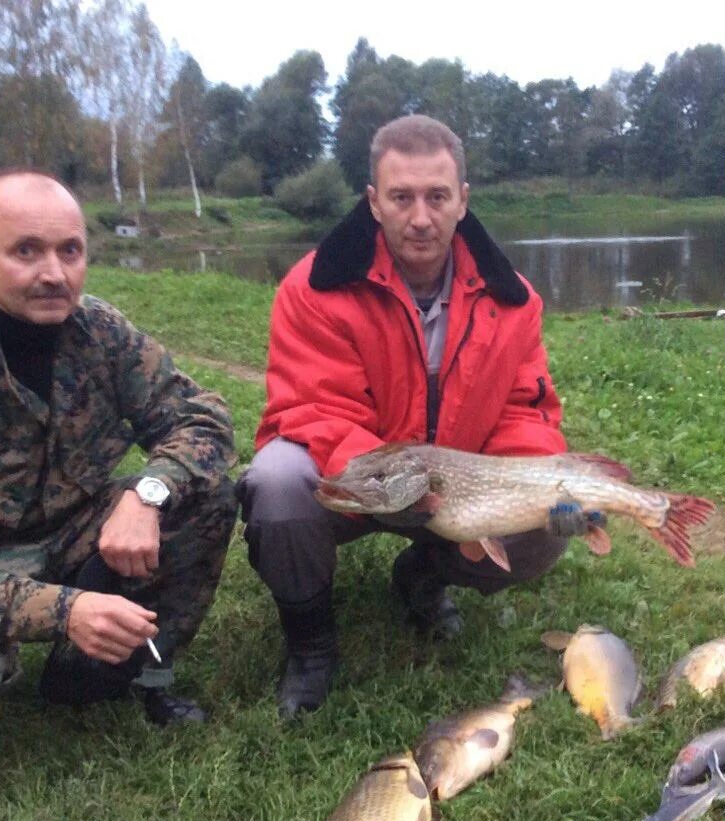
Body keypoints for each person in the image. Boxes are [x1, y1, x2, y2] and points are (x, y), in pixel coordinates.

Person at [236, 115, 600, 719]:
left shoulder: (515, 301)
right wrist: (396, 482)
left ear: (463, 200)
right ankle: (311, 644)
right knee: (275, 484)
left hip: (455, 490)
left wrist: (527, 484)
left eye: (437, 196)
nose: (422, 217)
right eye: (402, 198)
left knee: (544, 529)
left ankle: (423, 578)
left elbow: (524, 411)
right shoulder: (314, 288)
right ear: (374, 203)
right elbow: (312, 407)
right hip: (356, 480)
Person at [0, 169, 237, 727]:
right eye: (26, 251)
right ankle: (40, 638)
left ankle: (105, 671)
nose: (53, 274)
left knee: (205, 496)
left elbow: (202, 419)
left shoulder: (102, 333)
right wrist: (63, 611)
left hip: (71, 532)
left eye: (70, 251)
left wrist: (147, 493)